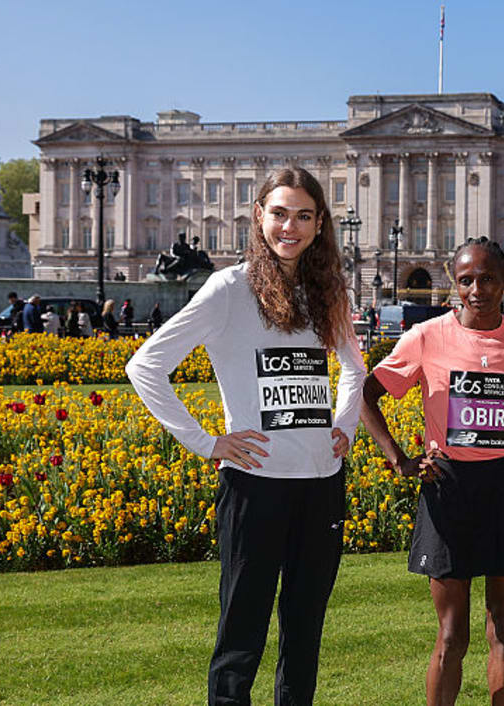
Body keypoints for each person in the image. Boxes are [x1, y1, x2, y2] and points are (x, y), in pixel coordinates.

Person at [128, 166, 364, 706]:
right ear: (259, 217)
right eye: (279, 214)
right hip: (255, 487)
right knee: (241, 636)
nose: (290, 227)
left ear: (320, 223)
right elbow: (146, 366)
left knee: (304, 633)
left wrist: (344, 427)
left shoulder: (326, 290)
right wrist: (207, 442)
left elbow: (355, 368)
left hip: (321, 483)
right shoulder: (228, 289)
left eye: (304, 216)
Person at [361, 236, 504, 706]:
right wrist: (399, 459)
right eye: (467, 280)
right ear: (454, 283)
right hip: (448, 486)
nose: (478, 289)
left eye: (488, 278)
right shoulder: (427, 336)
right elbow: (368, 394)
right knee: (452, 634)